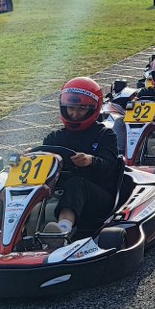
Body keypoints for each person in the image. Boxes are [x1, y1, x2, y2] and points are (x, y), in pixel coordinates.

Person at [40, 78, 120, 237]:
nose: (75, 114)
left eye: (81, 109)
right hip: (59, 189)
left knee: (76, 184)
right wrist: (30, 157)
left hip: (98, 195)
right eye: (70, 108)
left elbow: (111, 166)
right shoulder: (54, 138)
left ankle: (62, 231)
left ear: (93, 109)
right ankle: (4, 230)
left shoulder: (105, 135)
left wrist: (91, 160)